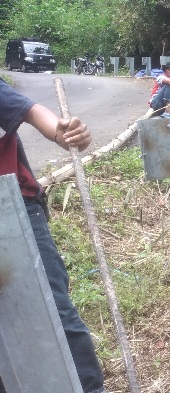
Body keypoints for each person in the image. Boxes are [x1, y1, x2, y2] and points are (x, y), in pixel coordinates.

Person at [0, 77, 105, 393]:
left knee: (51, 308)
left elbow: (31, 112)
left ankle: (87, 388)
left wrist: (62, 132)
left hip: (14, 209)